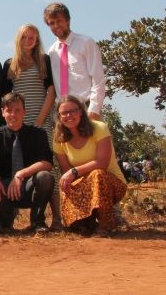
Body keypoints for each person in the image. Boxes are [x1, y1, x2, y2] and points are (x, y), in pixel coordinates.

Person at [2, 24, 61, 229]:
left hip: (40, 120)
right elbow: (7, 98)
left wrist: (38, 121)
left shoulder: (44, 61)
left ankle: (57, 219)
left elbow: (51, 92)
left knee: (47, 170)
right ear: (19, 39)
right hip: (19, 123)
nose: (30, 40)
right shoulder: (10, 65)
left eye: (33, 37)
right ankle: (12, 216)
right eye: (26, 37)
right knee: (19, 167)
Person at [53, 96, 127, 236]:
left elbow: (102, 163)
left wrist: (74, 171)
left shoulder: (99, 128)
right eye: (64, 113)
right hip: (83, 185)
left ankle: (106, 226)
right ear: (59, 116)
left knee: (97, 174)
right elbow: (66, 172)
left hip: (110, 183)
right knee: (66, 186)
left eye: (73, 111)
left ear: (81, 111)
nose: (69, 116)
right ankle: (85, 222)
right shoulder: (58, 138)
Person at [0, 93, 55, 233]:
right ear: (2, 112)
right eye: (9, 110)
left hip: (30, 186)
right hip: (6, 189)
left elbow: (47, 163)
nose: (13, 114)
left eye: (17, 110)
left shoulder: (38, 134)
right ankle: (5, 220)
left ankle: (37, 222)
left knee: (45, 177)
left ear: (24, 112)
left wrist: (20, 174)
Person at [44, 3, 106, 121]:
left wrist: (94, 110)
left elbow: (98, 79)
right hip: (62, 113)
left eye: (59, 20)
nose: (56, 25)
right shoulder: (52, 51)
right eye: (51, 23)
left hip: (85, 109)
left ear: (68, 20)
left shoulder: (86, 43)